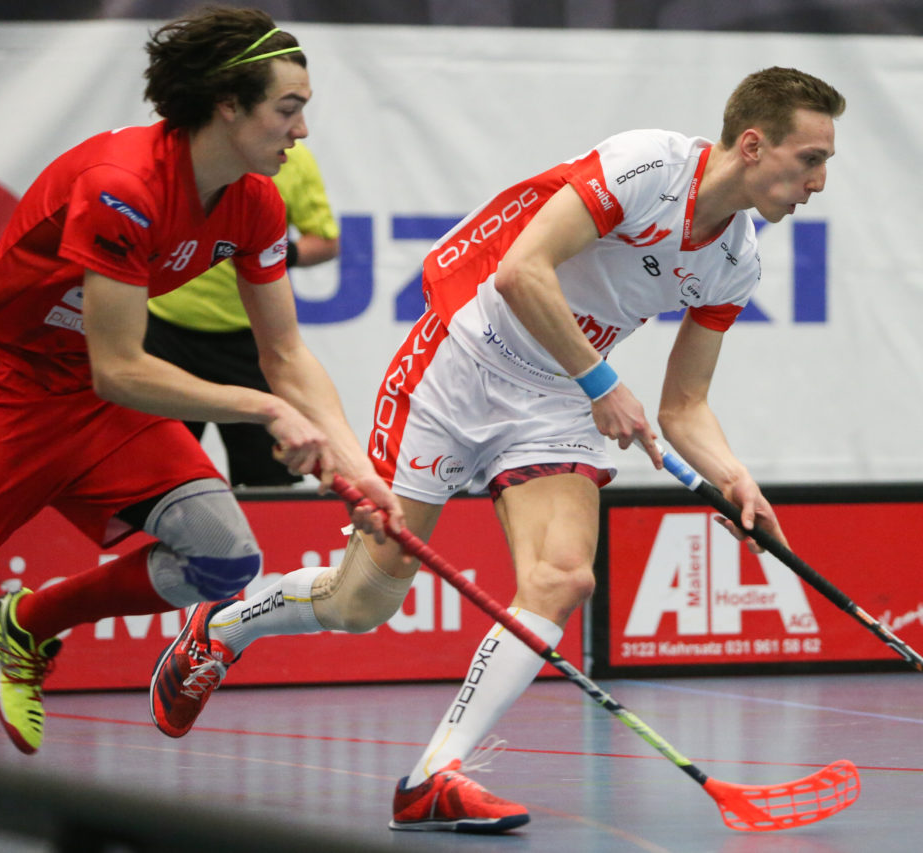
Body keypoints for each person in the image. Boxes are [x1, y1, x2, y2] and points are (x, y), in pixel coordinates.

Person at [150, 66, 845, 833]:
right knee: (363, 601)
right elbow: (521, 271)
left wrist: (735, 477)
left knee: (562, 575)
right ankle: (223, 627)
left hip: (556, 404)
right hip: (460, 364)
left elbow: (684, 407)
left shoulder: (735, 261)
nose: (817, 181)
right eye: (810, 159)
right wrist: (603, 380)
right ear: (753, 145)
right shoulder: (647, 167)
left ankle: (432, 774)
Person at [0, 6, 403, 755]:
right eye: (289, 108)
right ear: (227, 105)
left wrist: (362, 473)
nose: (301, 131)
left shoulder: (256, 200)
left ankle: (25, 625)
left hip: (93, 402)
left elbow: (287, 355)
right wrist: (263, 408)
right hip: (1, 385)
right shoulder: (123, 185)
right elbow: (122, 368)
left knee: (222, 558)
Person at [144, 142, 339, 486]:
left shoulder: (291, 161)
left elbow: (325, 242)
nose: (298, 130)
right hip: (166, 335)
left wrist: (269, 249)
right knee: (155, 478)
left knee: (269, 483)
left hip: (250, 346)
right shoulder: (182, 156)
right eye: (286, 110)